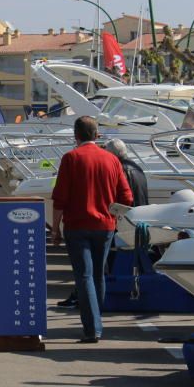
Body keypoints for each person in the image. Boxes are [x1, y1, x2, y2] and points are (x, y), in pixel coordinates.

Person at [51, 116, 134, 343]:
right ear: (97, 135)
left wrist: (55, 228)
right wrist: (114, 216)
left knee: (84, 275)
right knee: (98, 275)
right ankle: (97, 322)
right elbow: (126, 197)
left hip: (77, 225)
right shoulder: (112, 160)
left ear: (75, 136)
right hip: (105, 226)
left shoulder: (71, 158)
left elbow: (60, 198)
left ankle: (92, 327)